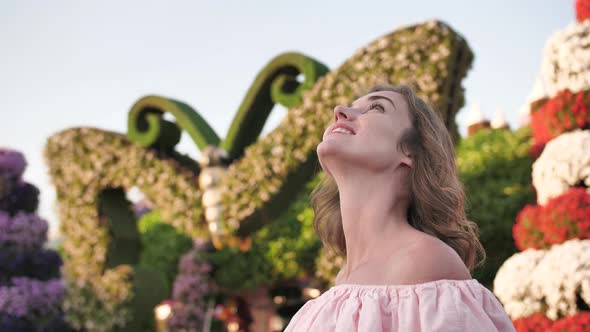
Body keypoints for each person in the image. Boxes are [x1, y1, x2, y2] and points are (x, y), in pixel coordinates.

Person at [284, 84, 515, 331]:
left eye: (376, 107)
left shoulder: (426, 264)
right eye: (351, 107)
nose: (339, 111)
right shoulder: (340, 285)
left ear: (410, 152)